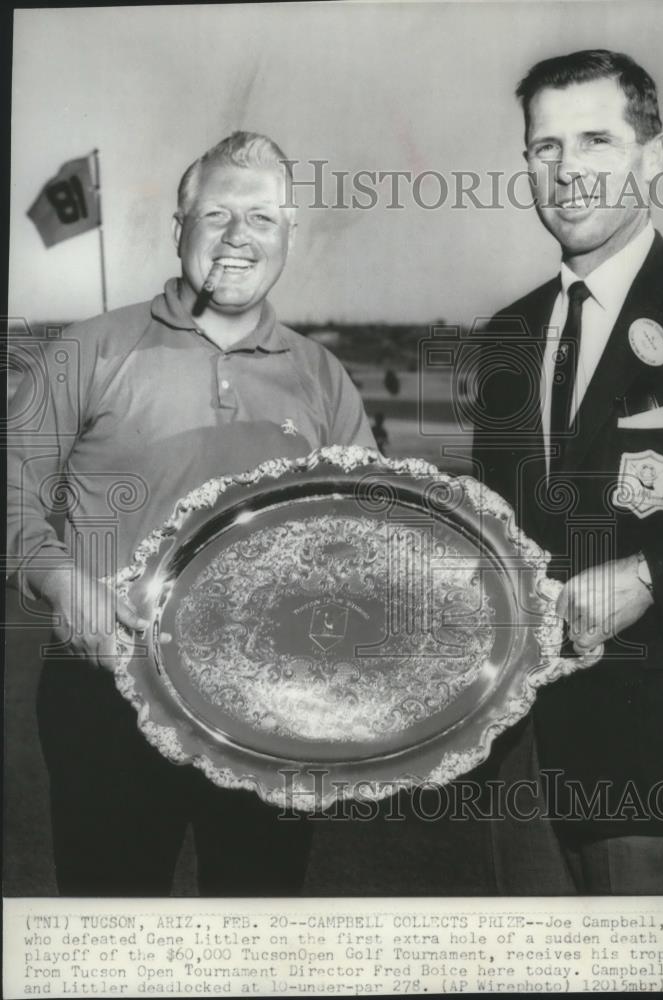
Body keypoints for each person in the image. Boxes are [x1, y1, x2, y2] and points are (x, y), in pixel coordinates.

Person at [7, 130, 376, 896]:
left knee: (253, 934)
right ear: (178, 225)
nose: (237, 239)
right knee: (110, 935)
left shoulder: (321, 374)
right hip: (110, 693)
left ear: (289, 234)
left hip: (271, 707)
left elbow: (368, 531)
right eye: (215, 216)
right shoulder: (89, 350)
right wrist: (56, 579)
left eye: (261, 219)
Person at [471, 50, 663, 893]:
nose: (567, 172)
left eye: (595, 142)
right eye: (545, 148)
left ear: (651, 154)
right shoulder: (506, 336)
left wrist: (657, 574)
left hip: (661, 760)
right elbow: (494, 529)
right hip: (516, 762)